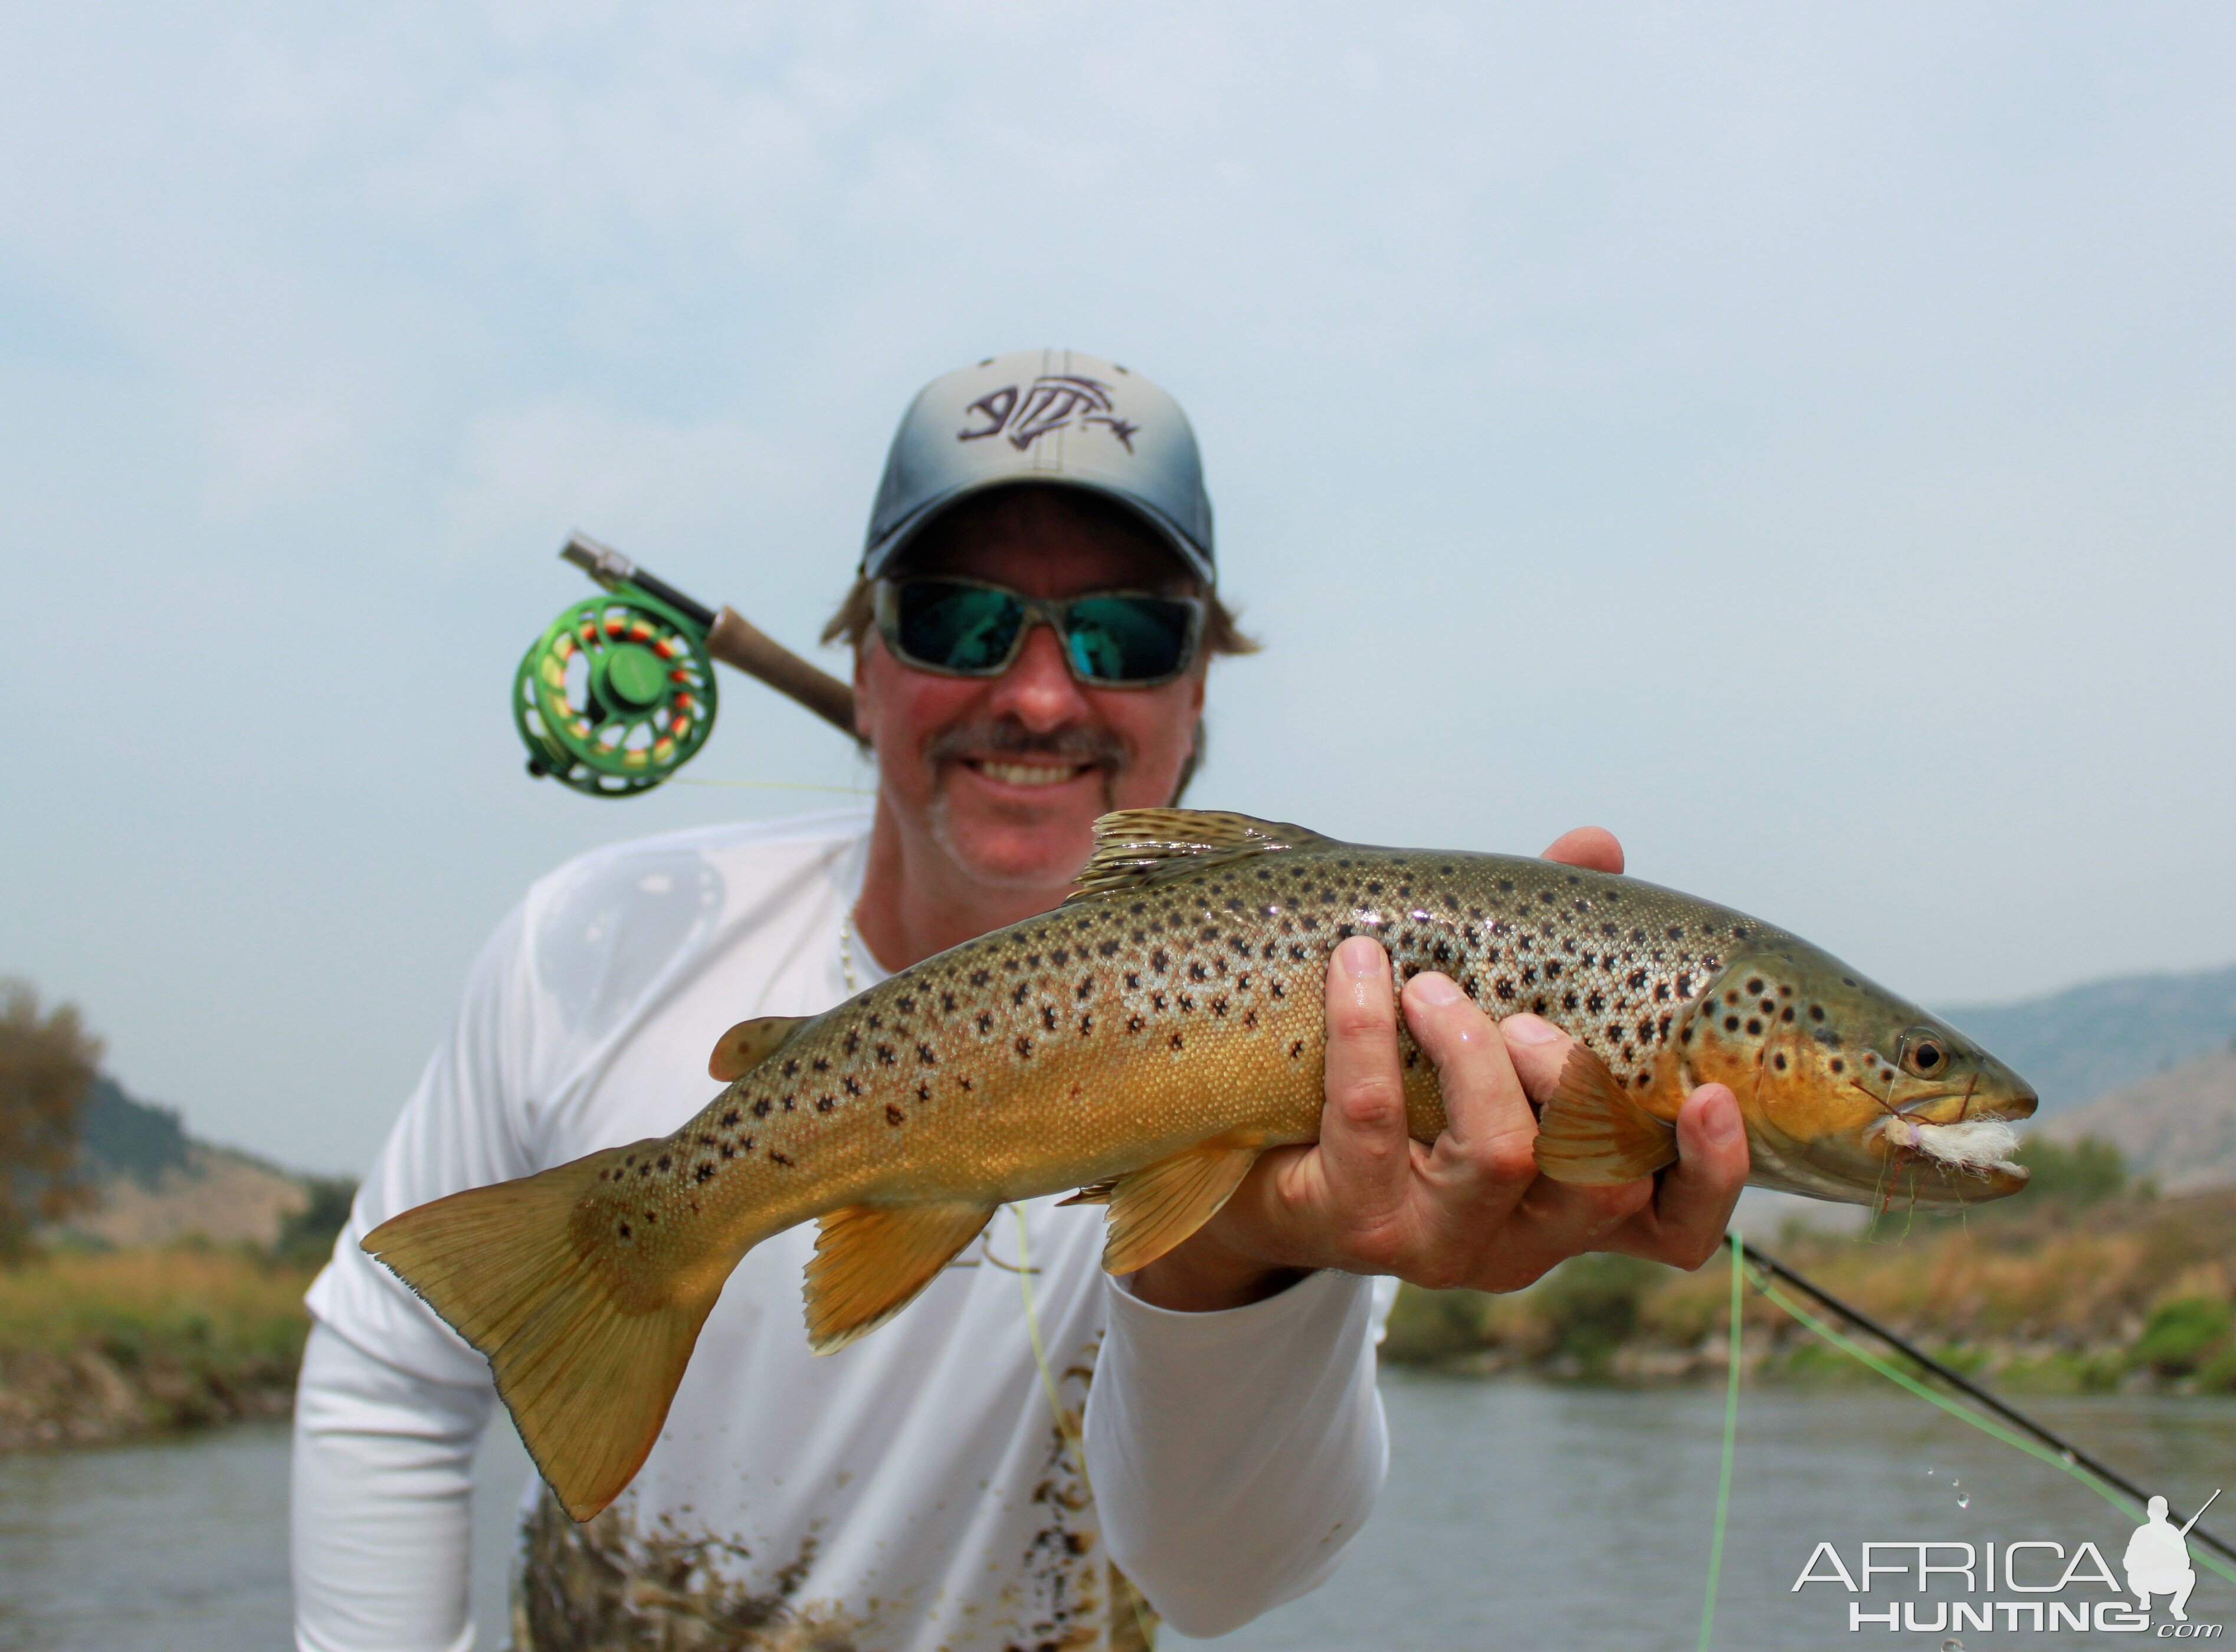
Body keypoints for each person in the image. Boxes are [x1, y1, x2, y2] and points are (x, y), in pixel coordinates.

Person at [291, 348, 1749, 1652]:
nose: (1042, 696)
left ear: (1197, 703)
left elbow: (1218, 1581)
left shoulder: (1339, 1055)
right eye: (957, 620)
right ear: (864, 665)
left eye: (1121, 637)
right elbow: (386, 1378)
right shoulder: (596, 938)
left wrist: (1236, 1265)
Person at [2124, 1496, 2198, 1620]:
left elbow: (2185, 1563)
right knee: (2133, 1574)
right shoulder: (2142, 1532)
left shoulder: (2173, 1533)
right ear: (2167, 1513)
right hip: (2146, 1581)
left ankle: (2177, 1607)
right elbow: (2128, 1562)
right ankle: (2145, 1598)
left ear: (2148, 1513)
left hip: (2168, 1581)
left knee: (2190, 1575)